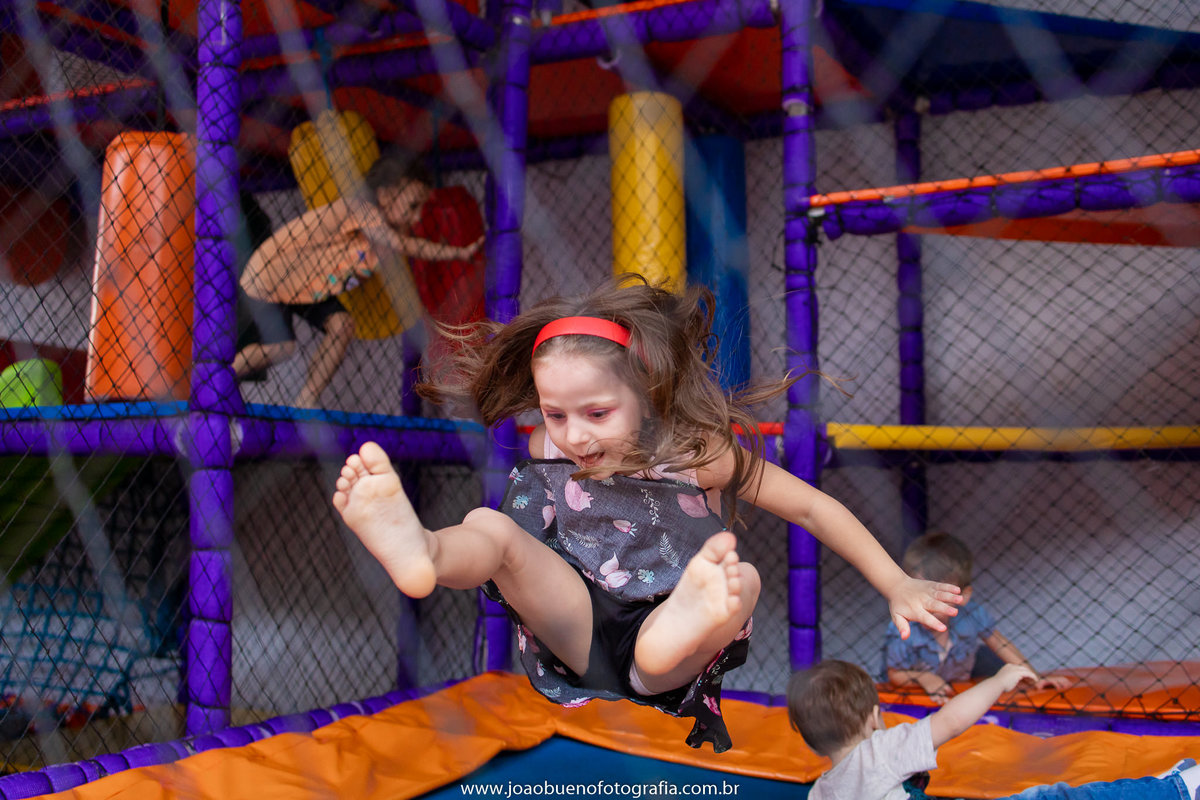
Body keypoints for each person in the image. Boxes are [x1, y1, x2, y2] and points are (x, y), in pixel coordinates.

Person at [331, 279, 963, 752]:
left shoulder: (695, 453)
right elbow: (531, 535)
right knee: (490, 527)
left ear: (647, 390)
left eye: (596, 414)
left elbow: (813, 507)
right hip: (575, 623)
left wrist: (897, 583)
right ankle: (424, 553)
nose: (573, 435)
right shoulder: (547, 447)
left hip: (665, 644)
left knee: (739, 586)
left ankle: (690, 612)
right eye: (556, 414)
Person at [234, 153, 484, 407]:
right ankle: (221, 375)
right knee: (281, 348)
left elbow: (397, 247)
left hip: (307, 288)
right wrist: (456, 252)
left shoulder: (383, 241)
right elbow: (404, 244)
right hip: (271, 277)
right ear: (386, 195)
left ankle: (305, 401)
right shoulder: (361, 210)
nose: (418, 216)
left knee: (342, 325)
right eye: (412, 206)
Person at [787, 659, 1200, 800]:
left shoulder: (818, 792)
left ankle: (1157, 786)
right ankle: (1177, 790)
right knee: (1056, 797)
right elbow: (950, 720)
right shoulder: (880, 751)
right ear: (873, 718)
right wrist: (999, 681)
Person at [884, 531, 1072, 704]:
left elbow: (999, 643)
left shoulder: (971, 615)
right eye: (920, 592)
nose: (928, 602)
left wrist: (1035, 678)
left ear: (963, 596)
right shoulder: (903, 626)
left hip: (960, 686)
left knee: (995, 664)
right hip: (918, 696)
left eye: (938, 594)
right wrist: (925, 678)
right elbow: (894, 674)